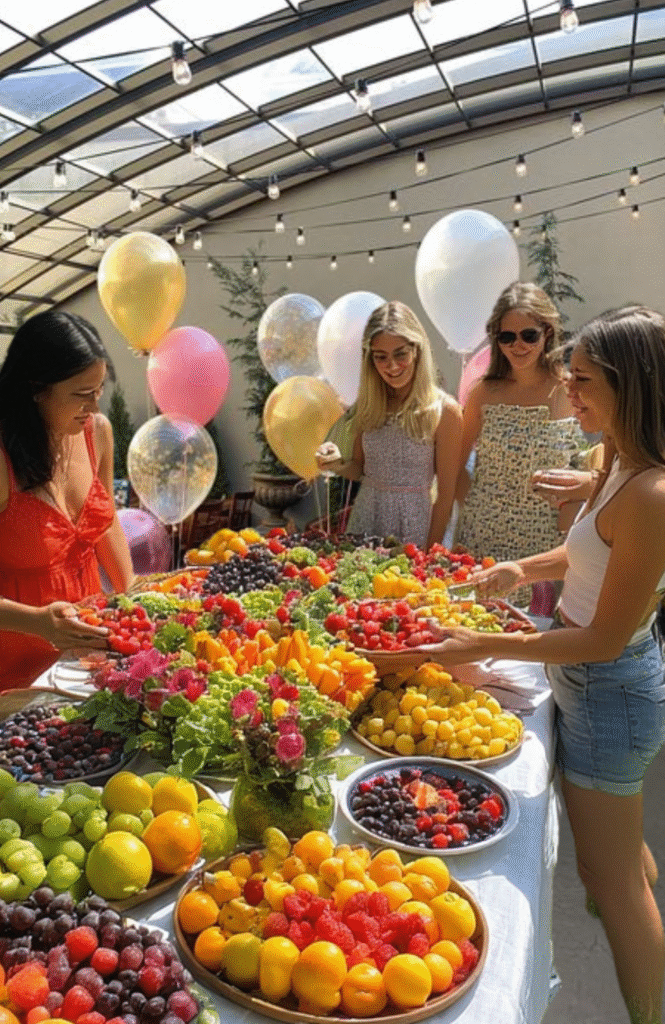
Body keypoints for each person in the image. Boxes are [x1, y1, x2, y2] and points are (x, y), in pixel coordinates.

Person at [371, 306, 665, 1024]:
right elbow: (589, 552)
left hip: (610, 689)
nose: (570, 395)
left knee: (613, 877)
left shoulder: (654, 492)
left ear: (630, 386)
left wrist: (481, 645)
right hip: (591, 682)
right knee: (617, 860)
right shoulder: (618, 462)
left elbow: (600, 638)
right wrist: (516, 570)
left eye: (584, 381)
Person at [0, 311, 135, 698]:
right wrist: (38, 622)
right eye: (81, 394)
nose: (93, 407)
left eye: (98, 391)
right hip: (8, 672)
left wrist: (131, 596)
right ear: (36, 388)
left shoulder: (97, 432)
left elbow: (105, 523)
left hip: (85, 660)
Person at [455, 282, 588, 607]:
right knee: (478, 630)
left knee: (534, 637)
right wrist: (473, 510)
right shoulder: (483, 393)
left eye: (528, 335)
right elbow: (455, 465)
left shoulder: (571, 390)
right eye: (507, 336)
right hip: (482, 539)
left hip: (545, 545)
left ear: (547, 332)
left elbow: (601, 464)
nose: (518, 345)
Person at [315, 300, 462, 549]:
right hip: (365, 522)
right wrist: (336, 464)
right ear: (370, 359)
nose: (392, 366)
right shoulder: (368, 405)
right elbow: (362, 470)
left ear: (417, 350)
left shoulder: (444, 411)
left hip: (415, 529)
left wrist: (429, 555)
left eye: (400, 354)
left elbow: (446, 498)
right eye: (381, 357)